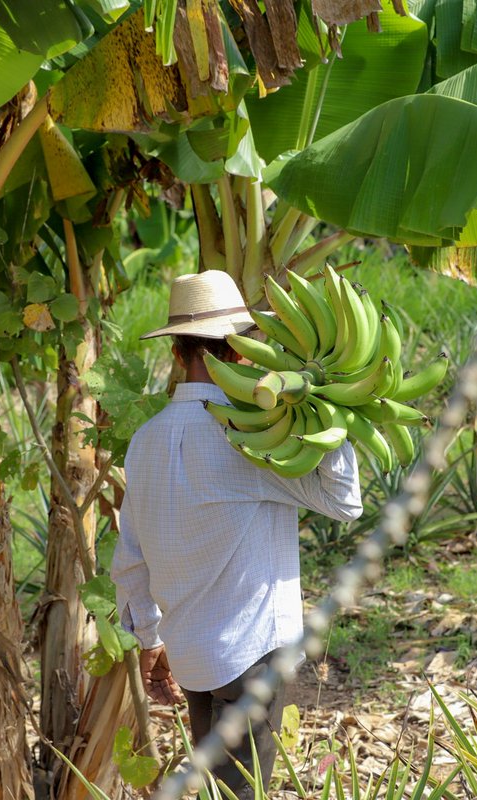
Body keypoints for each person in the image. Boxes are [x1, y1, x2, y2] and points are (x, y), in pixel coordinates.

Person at [112, 270, 363, 798]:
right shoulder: (246, 436)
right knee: (242, 791)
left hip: (191, 655)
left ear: (178, 354)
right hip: (249, 654)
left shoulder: (146, 440)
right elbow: (345, 502)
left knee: (220, 788)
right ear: (243, 352)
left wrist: (149, 639)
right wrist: (331, 415)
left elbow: (131, 556)